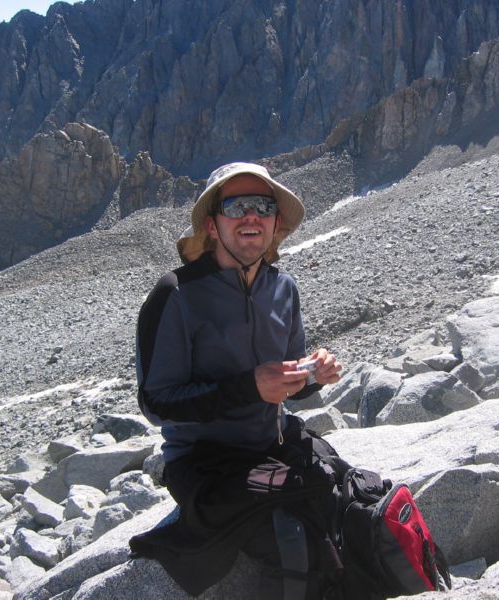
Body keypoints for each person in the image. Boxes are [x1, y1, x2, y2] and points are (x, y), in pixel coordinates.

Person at [130, 162, 343, 599]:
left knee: (342, 505)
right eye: (236, 206)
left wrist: (312, 376)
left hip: (271, 444)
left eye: (262, 206)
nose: (251, 216)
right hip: (203, 462)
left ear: (275, 222)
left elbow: (287, 384)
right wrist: (248, 388)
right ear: (213, 223)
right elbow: (156, 402)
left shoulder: (283, 287)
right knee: (291, 538)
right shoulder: (175, 293)